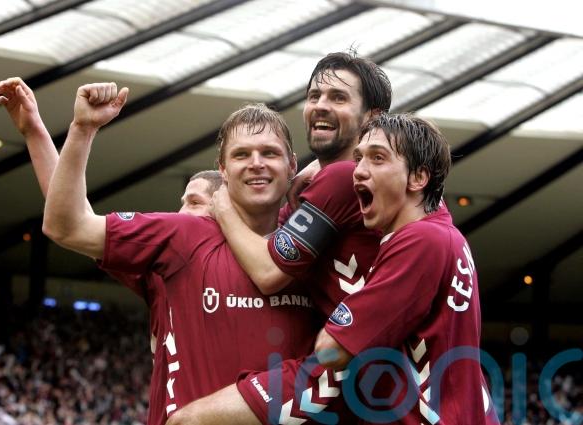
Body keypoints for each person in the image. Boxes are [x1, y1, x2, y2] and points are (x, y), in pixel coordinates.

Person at [39, 82, 319, 424]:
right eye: (241, 155)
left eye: (270, 153)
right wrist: (83, 129)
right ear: (223, 170)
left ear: (292, 165)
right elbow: (67, 226)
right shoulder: (183, 235)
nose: (256, 163)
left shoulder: (318, 247)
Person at [0, 78, 263, 425]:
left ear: (226, 206)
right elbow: (72, 218)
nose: (181, 213)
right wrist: (35, 131)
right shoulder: (163, 269)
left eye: (194, 203)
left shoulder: (276, 263)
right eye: (182, 202)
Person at [168, 52, 393, 424]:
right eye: (314, 95)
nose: (321, 105)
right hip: (364, 375)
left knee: (188, 420)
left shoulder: (342, 178)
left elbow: (269, 272)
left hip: (347, 368)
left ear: (372, 118)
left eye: (338, 98)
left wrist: (222, 205)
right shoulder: (344, 180)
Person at [313, 113, 499, 424]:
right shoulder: (445, 235)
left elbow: (329, 351)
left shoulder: (420, 240)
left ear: (418, 178)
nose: (358, 171)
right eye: (358, 158)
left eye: (378, 158)